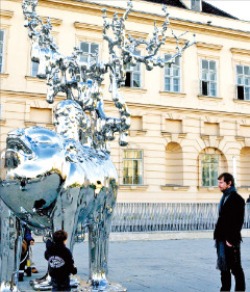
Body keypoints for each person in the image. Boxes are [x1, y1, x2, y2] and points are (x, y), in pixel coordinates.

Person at [214, 172, 246, 292]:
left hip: (230, 240)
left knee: (236, 268)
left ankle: (240, 290)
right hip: (221, 239)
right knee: (224, 268)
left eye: (221, 182)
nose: (219, 185)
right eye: (219, 183)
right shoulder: (224, 197)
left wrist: (231, 240)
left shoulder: (237, 199)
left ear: (229, 183)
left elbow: (238, 221)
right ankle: (225, 289)